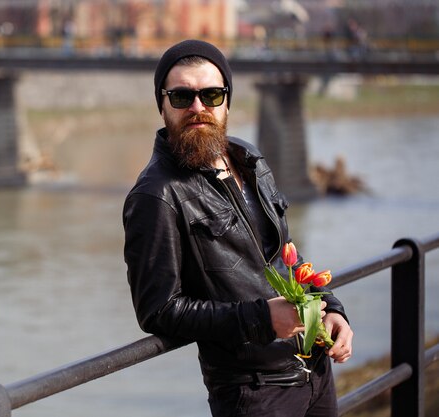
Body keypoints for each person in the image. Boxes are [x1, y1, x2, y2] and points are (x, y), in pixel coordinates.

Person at [122, 40, 353, 417]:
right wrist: (261, 319)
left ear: (227, 100)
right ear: (162, 105)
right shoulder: (156, 195)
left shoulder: (249, 158)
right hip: (255, 393)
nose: (198, 108)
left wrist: (333, 309)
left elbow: (286, 255)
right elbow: (158, 310)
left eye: (211, 94)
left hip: (316, 371)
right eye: (182, 97)